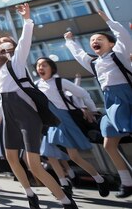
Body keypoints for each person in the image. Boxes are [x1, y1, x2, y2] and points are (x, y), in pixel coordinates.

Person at [0, 3, 78, 209]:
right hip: (9, 113)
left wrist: (27, 20)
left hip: (26, 113)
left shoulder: (17, 61)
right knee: (11, 158)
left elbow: (24, 41)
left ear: (10, 45)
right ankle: (30, 194)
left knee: (33, 164)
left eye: (3, 41)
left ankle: (65, 201)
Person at [65, 10, 132, 199]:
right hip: (111, 103)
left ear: (111, 43)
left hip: (128, 99)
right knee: (109, 144)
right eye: (92, 40)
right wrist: (70, 40)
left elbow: (123, 36)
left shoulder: (120, 54)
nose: (94, 41)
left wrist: (107, 20)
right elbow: (79, 55)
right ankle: (127, 182)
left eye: (99, 38)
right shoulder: (94, 63)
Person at [34, 57, 109, 198]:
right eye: (38, 65)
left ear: (52, 68)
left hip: (64, 121)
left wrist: (90, 109)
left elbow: (83, 93)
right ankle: (65, 184)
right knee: (50, 155)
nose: (40, 68)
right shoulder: (37, 85)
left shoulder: (60, 82)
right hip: (50, 123)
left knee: (74, 156)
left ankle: (100, 179)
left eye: (44, 65)